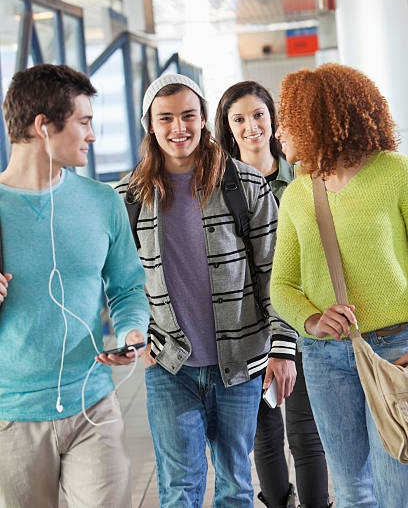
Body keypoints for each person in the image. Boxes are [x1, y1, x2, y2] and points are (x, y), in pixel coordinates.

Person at [115, 73, 298, 507]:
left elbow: (276, 273)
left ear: (202, 119)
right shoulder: (128, 196)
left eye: (188, 116)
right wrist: (134, 333)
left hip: (240, 362)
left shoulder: (245, 185)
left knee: (235, 484)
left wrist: (283, 346)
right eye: (166, 119)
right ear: (150, 125)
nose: (178, 128)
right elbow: (115, 276)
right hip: (169, 364)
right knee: (179, 487)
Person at [0, 64, 150, 508]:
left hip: (94, 405)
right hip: (12, 416)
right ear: (42, 126)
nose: (92, 135)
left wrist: (131, 333)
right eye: (84, 122)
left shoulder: (103, 202)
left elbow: (127, 288)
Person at [270, 63, 408, 508]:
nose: (278, 133)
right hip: (326, 358)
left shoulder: (396, 174)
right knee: (350, 490)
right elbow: (283, 285)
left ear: (321, 118)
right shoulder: (296, 194)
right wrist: (311, 318)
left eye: (287, 121)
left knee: (396, 488)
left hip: (395, 352)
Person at [215, 81, 330, 508]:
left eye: (258, 115)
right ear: (227, 128)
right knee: (264, 432)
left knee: (305, 429)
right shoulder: (219, 186)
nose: (251, 127)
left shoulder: (304, 177)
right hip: (247, 328)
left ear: (273, 119)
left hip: (302, 317)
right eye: (239, 119)